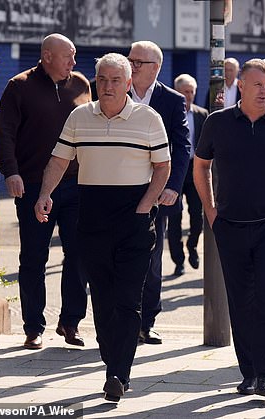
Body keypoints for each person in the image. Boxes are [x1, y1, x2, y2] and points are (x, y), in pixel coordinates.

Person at [34, 53, 171, 402]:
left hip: (135, 218)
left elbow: (163, 166)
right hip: (92, 217)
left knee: (127, 299)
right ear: (95, 81)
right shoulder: (80, 116)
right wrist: (45, 194)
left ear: (128, 83)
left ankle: (117, 373)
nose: (108, 86)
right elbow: (59, 159)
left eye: (115, 80)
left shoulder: (148, 118)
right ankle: (113, 361)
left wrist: (145, 205)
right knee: (104, 298)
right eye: (102, 80)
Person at [194, 59, 265, 398]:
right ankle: (248, 373)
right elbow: (201, 167)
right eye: (258, 85)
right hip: (229, 225)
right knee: (240, 300)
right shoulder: (218, 123)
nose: (264, 91)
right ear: (240, 85)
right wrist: (211, 211)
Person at [0, 33, 90, 350]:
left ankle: (70, 323)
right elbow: (4, 133)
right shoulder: (19, 86)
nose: (73, 63)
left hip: (76, 185)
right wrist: (11, 172)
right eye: (67, 57)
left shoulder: (80, 85)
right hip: (34, 185)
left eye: (74, 57)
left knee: (78, 256)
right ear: (47, 56)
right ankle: (33, 327)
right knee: (34, 257)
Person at [128, 40, 191, 345]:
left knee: (152, 260)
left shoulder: (172, 99)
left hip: (155, 190)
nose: (131, 66)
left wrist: (173, 187)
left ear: (156, 68)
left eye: (138, 62)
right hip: (114, 186)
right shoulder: (108, 88)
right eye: (130, 60)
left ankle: (146, 321)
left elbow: (182, 146)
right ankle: (120, 319)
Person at [167, 74, 209, 276]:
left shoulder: (202, 114)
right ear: (177, 92)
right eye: (185, 91)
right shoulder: (168, 113)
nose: (189, 95)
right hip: (174, 170)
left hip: (195, 170)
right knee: (174, 218)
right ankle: (178, 260)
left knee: (197, 216)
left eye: (192, 91)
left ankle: (193, 246)